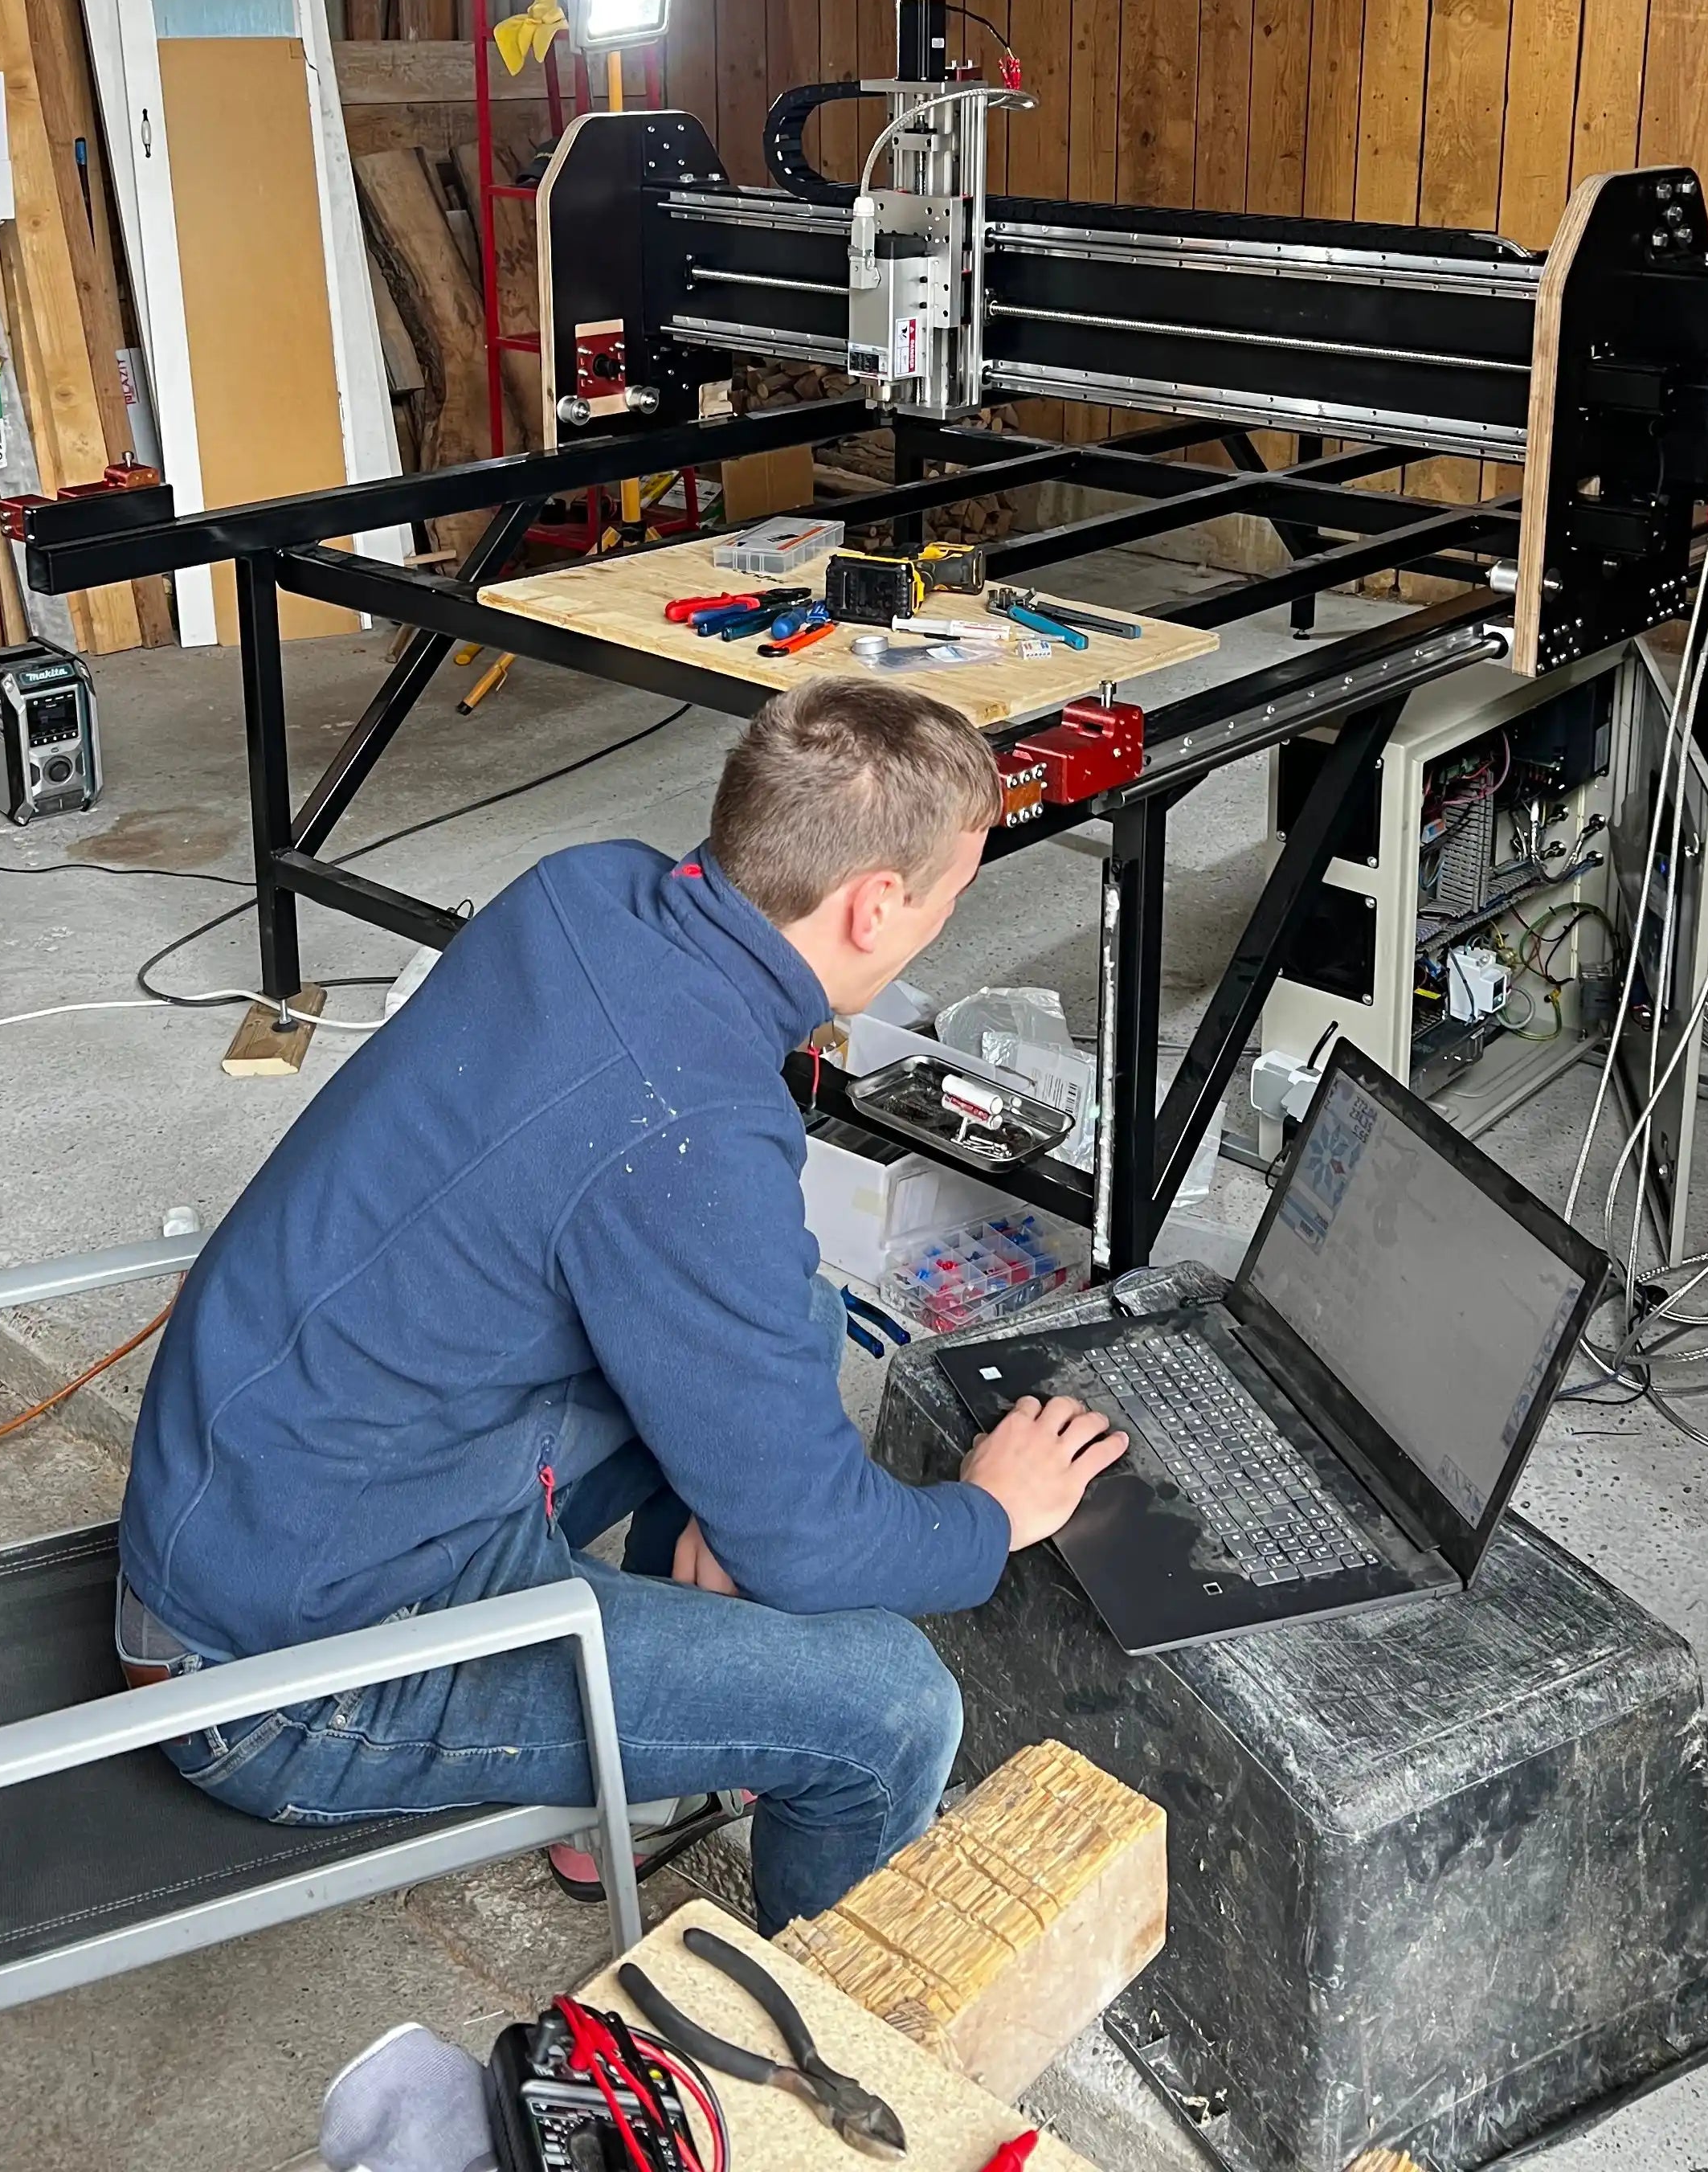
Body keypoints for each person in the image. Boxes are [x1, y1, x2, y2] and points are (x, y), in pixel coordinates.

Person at [116, 677, 1126, 1932]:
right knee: (891, 1710)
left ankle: (653, 1761)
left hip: (291, 1488)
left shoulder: (586, 889)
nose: (944, 922)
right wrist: (988, 1515)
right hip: (281, 1676)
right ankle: (812, 2080)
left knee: (801, 1321)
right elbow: (815, 1544)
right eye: (951, 896)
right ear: (875, 908)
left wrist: (740, 1507)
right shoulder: (690, 1130)